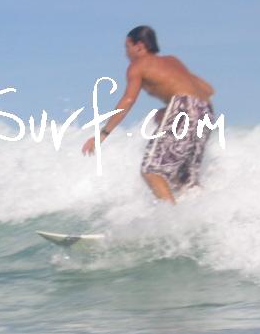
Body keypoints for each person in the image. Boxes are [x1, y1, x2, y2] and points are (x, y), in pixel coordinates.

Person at [82, 25, 215, 203]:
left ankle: (170, 216)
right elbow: (207, 90)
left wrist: (102, 134)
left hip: (184, 107)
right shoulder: (173, 60)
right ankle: (199, 214)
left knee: (151, 170)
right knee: (185, 180)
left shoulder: (137, 66)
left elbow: (128, 100)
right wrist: (170, 108)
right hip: (206, 111)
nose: (126, 53)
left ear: (139, 46)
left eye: (127, 47)